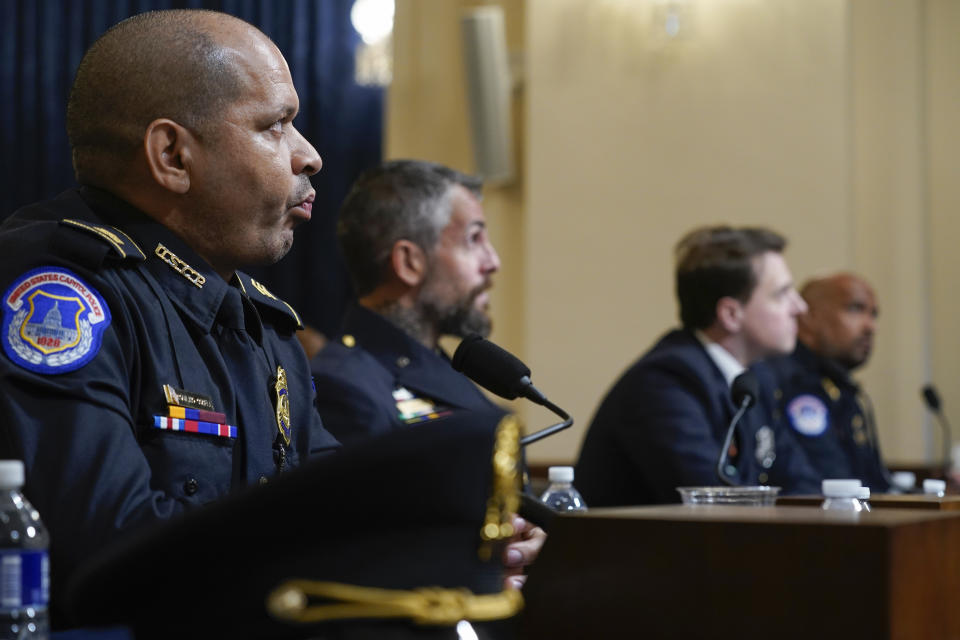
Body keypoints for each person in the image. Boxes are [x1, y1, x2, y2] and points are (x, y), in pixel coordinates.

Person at [0, 11, 536, 625]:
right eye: (276, 125)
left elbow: (330, 494)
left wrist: (456, 544)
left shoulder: (257, 317)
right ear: (172, 154)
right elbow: (103, 550)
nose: (310, 156)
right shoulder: (58, 296)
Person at [575, 226, 821, 505]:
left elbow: (801, 481)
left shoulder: (756, 378)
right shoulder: (664, 384)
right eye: (781, 294)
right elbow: (709, 503)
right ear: (730, 314)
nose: (799, 307)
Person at [310, 160, 504, 447]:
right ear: (409, 262)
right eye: (474, 239)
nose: (493, 262)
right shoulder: (345, 387)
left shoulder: (437, 368)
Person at [769, 273, 890, 491]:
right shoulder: (792, 381)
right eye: (855, 309)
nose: (871, 326)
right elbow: (829, 483)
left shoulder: (839, 384)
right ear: (808, 316)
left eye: (873, 314)